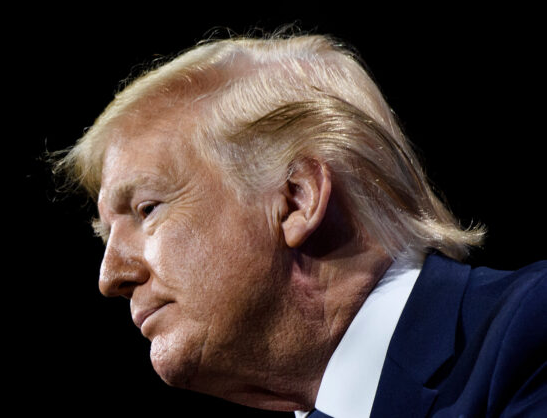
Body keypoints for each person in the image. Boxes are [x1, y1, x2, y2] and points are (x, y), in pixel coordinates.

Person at [54, 33, 546, 417]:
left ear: (296, 199)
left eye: (146, 209)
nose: (110, 277)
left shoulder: (531, 331)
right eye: (106, 233)